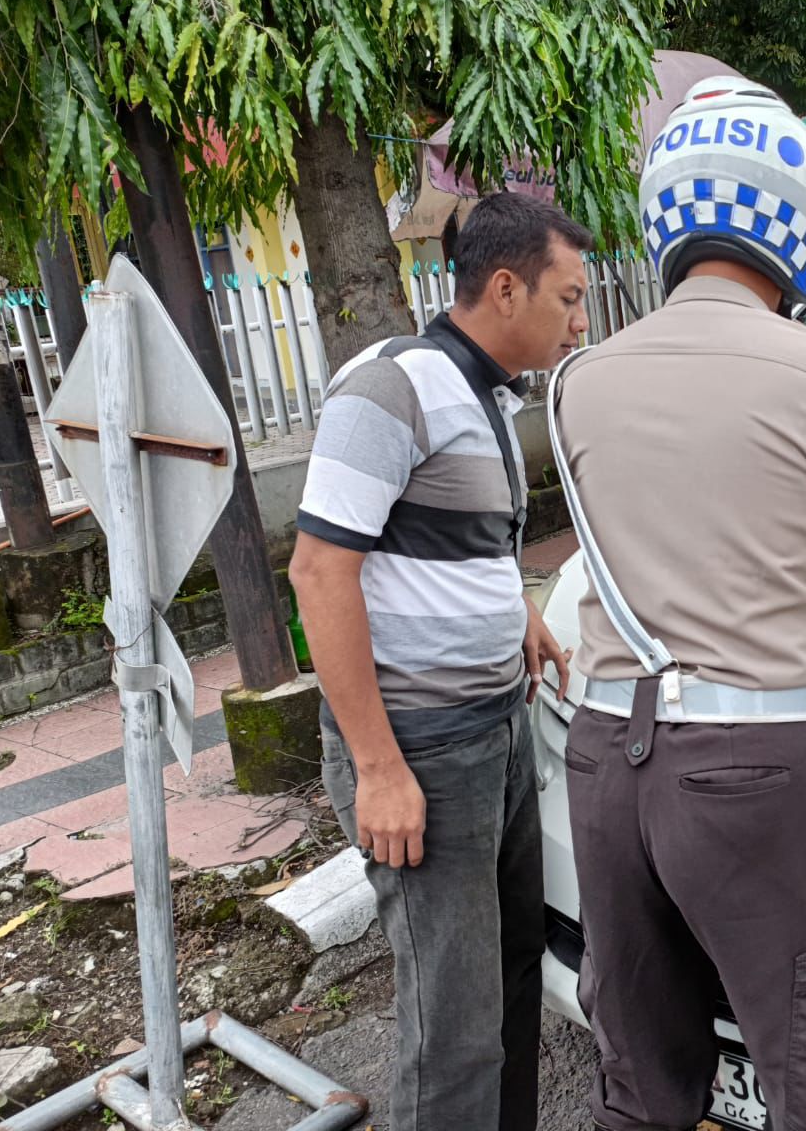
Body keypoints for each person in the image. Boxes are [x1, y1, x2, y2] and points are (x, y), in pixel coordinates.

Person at [549, 76, 806, 1131]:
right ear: (802, 224)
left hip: (602, 761)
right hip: (759, 773)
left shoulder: (581, 380)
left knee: (638, 1074)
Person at [290, 192, 583, 1130]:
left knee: (508, 983)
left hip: (495, 732)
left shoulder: (488, 393)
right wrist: (379, 770)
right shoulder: (391, 387)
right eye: (568, 298)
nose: (581, 319)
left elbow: (470, 539)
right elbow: (320, 570)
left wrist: (519, 617)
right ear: (505, 288)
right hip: (420, 750)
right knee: (450, 1028)